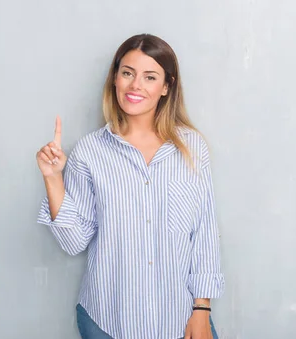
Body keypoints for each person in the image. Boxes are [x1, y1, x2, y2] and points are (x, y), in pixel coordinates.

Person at [36, 33, 225, 339]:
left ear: (166, 87)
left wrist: (201, 309)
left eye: (150, 77)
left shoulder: (192, 148)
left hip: (180, 319)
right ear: (115, 79)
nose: (136, 85)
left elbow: (204, 231)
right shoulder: (90, 151)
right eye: (127, 73)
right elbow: (74, 242)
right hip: (108, 320)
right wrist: (52, 177)